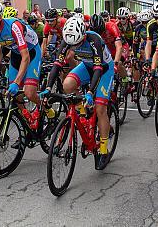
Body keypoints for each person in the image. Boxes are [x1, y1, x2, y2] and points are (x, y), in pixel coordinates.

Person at [41, 16, 115, 170]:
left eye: (78, 44)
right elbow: (57, 64)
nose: (74, 47)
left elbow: (98, 68)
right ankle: (83, 112)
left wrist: (89, 92)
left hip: (103, 69)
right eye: (72, 45)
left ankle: (103, 149)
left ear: (84, 35)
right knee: (67, 85)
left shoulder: (94, 39)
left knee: (101, 108)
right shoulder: (67, 40)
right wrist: (48, 88)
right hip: (87, 66)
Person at [0, 1, 53, 144]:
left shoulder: (14, 26)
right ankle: (28, 126)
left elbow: (25, 56)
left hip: (31, 53)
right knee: (15, 95)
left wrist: (17, 82)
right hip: (15, 54)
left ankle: (49, 111)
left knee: (29, 92)